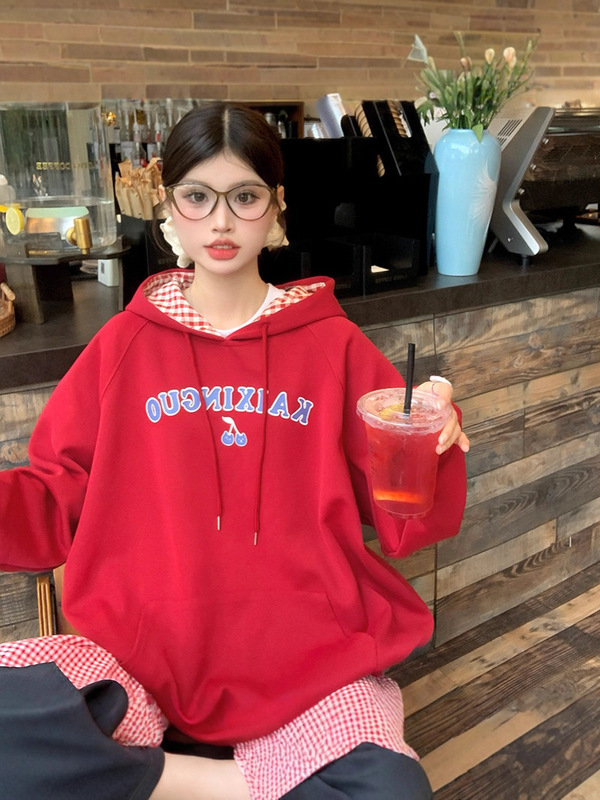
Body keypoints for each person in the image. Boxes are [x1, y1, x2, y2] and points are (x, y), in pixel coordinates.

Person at [0, 102, 469, 800]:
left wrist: (433, 440)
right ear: (169, 207)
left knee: (392, 794)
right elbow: (54, 494)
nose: (221, 222)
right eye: (198, 197)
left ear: (276, 206)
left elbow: (405, 516)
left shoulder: (332, 345)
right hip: (143, 662)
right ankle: (239, 784)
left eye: (244, 197)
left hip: (307, 668)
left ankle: (182, 781)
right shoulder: (123, 345)